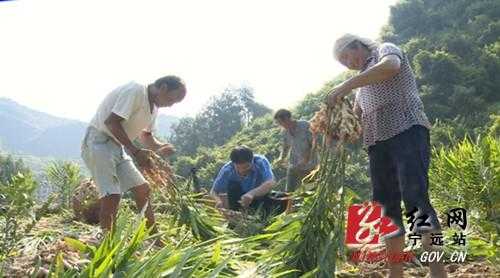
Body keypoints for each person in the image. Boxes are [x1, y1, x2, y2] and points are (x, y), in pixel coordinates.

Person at [327, 34, 447, 278]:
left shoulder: (385, 50)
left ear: (358, 45)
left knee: (416, 199)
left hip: (406, 130)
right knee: (386, 208)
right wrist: (333, 128)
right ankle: (396, 273)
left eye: (347, 57)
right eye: (343, 63)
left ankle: (438, 271)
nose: (348, 64)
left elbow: (391, 67)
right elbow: (355, 120)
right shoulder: (361, 89)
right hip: (377, 144)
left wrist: (346, 85)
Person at [81, 76, 186, 234]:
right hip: (99, 142)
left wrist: (161, 147)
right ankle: (107, 242)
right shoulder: (136, 91)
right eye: (172, 99)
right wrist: (135, 151)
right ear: (163, 88)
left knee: (143, 189)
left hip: (117, 146)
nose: (171, 105)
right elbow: (112, 122)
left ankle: (154, 237)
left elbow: (146, 137)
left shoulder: (153, 108)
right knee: (112, 195)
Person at [210, 146, 287, 216]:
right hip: (238, 201)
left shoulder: (260, 162)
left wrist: (251, 194)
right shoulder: (227, 170)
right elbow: (214, 191)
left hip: (259, 197)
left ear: (252, 160)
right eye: (238, 168)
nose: (242, 170)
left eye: (246, 167)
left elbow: (271, 182)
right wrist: (218, 202)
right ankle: (238, 214)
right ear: (234, 164)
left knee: (284, 199)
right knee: (232, 186)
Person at [274, 109, 317, 192]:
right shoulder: (284, 132)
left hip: (309, 165)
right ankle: (288, 204)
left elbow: (314, 143)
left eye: (281, 122)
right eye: (279, 123)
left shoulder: (305, 125)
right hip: (294, 164)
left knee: (310, 190)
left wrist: (305, 158)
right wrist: (281, 158)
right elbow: (285, 147)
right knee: (289, 191)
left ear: (288, 118)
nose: (281, 125)